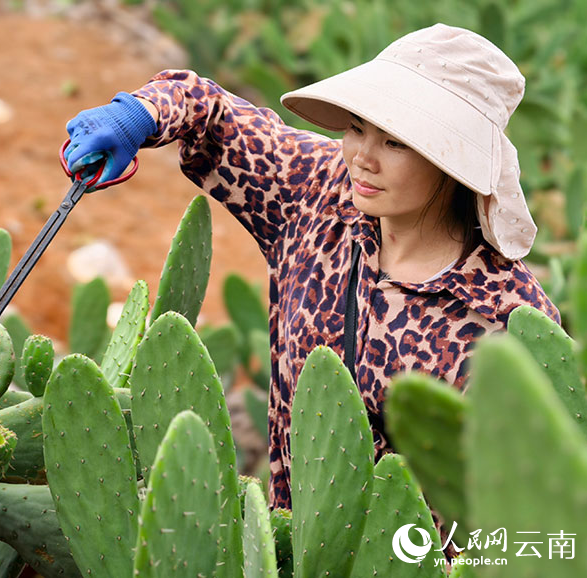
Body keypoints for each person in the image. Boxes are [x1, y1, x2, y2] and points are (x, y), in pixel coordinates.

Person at [64, 23, 559, 551]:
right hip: (281, 547)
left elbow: (520, 515)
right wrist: (138, 115)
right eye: (357, 127)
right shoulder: (319, 194)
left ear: (452, 161)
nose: (361, 156)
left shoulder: (503, 322)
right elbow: (209, 112)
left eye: (394, 141)